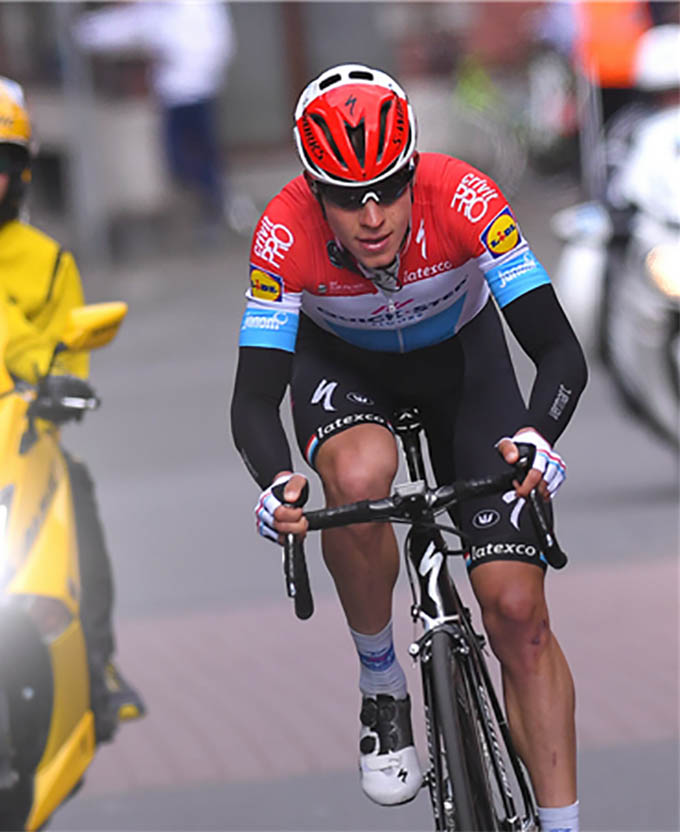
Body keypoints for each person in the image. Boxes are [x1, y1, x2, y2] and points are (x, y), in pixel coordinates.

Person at [230, 64, 587, 829]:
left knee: (517, 611)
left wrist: (540, 435)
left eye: (389, 188)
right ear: (313, 190)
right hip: (345, 369)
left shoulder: (464, 198)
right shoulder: (283, 232)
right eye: (346, 196)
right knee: (359, 479)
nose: (372, 216)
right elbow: (255, 398)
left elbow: (559, 352)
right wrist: (275, 482)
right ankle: (382, 683)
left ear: (413, 168)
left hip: (464, 366)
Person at [0, 70, 146, 742]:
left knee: (75, 485)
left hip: (0, 452)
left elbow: (67, 360)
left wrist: (55, 381)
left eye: (1, 161)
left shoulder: (45, 261)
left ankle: (95, 663)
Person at [72, 1, 237, 235]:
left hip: (199, 94)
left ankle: (213, 208)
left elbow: (213, 45)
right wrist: (82, 32)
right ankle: (202, 209)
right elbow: (126, 26)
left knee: (202, 156)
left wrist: (174, 55)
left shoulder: (198, 7)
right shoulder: (158, 9)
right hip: (175, 97)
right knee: (178, 162)